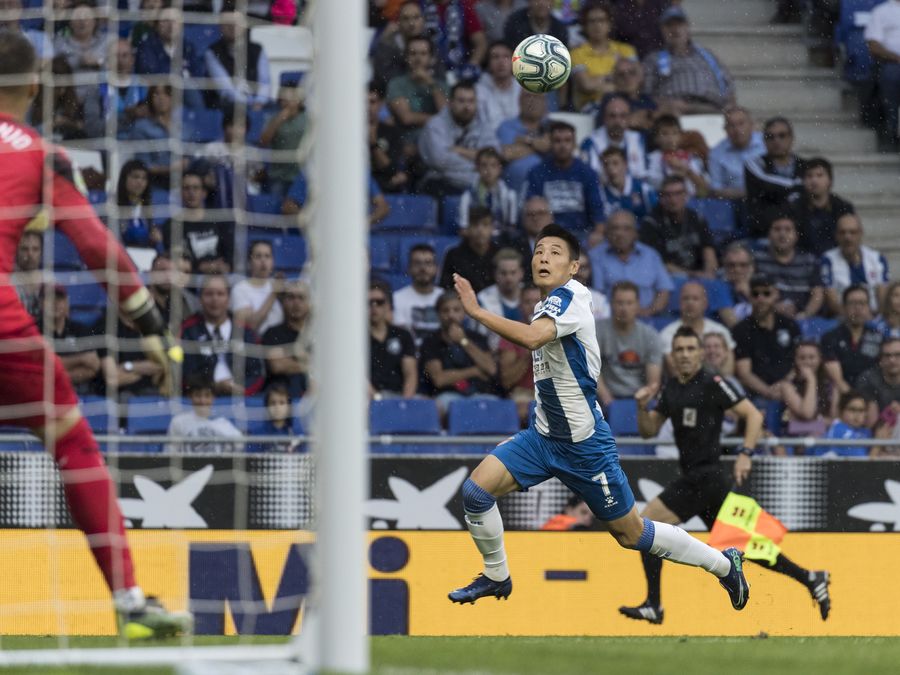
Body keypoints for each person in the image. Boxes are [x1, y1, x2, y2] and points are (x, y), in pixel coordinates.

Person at [446, 224, 750, 612]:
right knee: (476, 493)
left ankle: (724, 564)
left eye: (555, 252)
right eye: (539, 251)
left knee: (631, 534)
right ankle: (496, 575)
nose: (543, 257)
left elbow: (532, 338)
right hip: (542, 438)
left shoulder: (570, 298)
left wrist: (475, 311)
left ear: (574, 266)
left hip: (584, 447)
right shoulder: (544, 306)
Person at [0, 32, 190, 636]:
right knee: (74, 443)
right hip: (2, 325)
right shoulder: (41, 155)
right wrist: (152, 327)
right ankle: (128, 600)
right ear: (35, 85)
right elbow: (96, 247)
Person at [620, 325, 831, 624]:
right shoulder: (672, 388)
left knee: (646, 527)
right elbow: (649, 431)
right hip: (703, 482)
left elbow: (753, 415)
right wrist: (642, 406)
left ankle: (654, 604)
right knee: (744, 544)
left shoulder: (713, 382)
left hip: (706, 477)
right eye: (679, 350)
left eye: (690, 349)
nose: (684, 355)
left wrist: (745, 454)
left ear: (700, 353)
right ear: (672, 355)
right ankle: (810, 577)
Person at [180, 274, 265, 397]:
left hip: (241, 400)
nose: (215, 299)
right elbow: (183, 372)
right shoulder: (187, 331)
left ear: (228, 299)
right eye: (209, 294)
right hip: (200, 400)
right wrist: (213, 386)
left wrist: (242, 390)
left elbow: (258, 373)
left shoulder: (245, 332)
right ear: (200, 299)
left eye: (220, 294)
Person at [642, 7, 735, 114]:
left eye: (679, 24)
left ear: (687, 27)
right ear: (662, 30)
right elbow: (647, 95)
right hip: (675, 112)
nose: (674, 29)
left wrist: (730, 107)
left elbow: (729, 86)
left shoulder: (708, 55)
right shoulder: (653, 59)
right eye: (669, 25)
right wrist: (666, 104)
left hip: (712, 109)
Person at [524, 121, 605, 240]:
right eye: (557, 141)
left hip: (581, 234)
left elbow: (597, 208)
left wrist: (598, 233)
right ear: (550, 143)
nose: (562, 145)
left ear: (574, 144)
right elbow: (531, 207)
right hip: (546, 233)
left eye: (567, 141)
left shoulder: (588, 173)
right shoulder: (537, 172)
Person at [420, 290, 498, 414]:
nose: (451, 315)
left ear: (464, 313)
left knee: (497, 407)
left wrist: (463, 341)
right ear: (438, 314)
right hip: (447, 396)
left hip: (479, 394)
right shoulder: (430, 342)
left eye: (456, 310)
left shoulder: (477, 338)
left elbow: (491, 369)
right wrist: (475, 371)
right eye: (445, 310)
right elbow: (439, 379)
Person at [418, 81, 499, 197]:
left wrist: (461, 151)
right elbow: (440, 161)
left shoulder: (482, 123)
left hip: (476, 181)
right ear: (450, 103)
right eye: (461, 101)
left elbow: (494, 154)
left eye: (471, 101)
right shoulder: (435, 125)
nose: (466, 107)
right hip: (442, 181)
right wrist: (481, 165)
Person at [588, 209, 673, 318]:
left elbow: (664, 290)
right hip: (610, 319)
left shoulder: (651, 255)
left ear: (635, 233)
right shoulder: (596, 256)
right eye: (615, 228)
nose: (620, 233)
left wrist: (649, 312)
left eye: (626, 229)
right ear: (607, 232)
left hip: (647, 318)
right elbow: (597, 295)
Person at [733, 274, 802, 403]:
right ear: (749, 297)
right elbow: (744, 372)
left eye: (766, 293)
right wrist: (768, 392)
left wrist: (784, 386)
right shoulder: (741, 330)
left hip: (791, 389)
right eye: (755, 294)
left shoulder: (790, 325)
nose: (761, 299)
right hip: (756, 394)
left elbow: (799, 361)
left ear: (776, 295)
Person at [594, 280, 662, 406]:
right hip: (605, 398)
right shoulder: (596, 331)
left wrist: (641, 401)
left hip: (640, 398)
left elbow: (653, 383)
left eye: (629, 303)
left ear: (638, 305)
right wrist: (607, 399)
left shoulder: (650, 335)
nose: (624, 308)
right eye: (620, 303)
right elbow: (591, 369)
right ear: (611, 304)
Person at [640, 176, 717, 279]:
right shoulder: (651, 224)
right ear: (661, 198)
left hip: (700, 274)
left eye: (678, 193)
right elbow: (658, 263)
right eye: (668, 195)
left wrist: (709, 272)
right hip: (670, 278)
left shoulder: (697, 218)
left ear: (686, 195)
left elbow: (708, 249)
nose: (673, 199)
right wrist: (693, 275)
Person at [752, 214, 824, 320]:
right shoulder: (757, 259)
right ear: (769, 235)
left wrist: (804, 316)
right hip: (767, 317)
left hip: (803, 319)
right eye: (777, 229)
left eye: (788, 229)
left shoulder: (809, 261)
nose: (782, 234)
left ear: (796, 235)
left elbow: (818, 295)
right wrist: (772, 308)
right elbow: (751, 291)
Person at [744, 117, 806, 238]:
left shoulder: (805, 166)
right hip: (764, 234)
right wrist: (796, 186)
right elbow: (764, 182)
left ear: (792, 138)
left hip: (800, 235)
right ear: (764, 141)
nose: (776, 141)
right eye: (770, 137)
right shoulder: (754, 164)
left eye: (782, 135)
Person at [162, 171, 235, 274]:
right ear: (180, 193)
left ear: (204, 193)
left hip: (221, 277)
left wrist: (223, 266)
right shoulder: (172, 225)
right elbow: (179, 261)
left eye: (196, 188)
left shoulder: (219, 219)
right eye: (186, 188)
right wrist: (201, 267)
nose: (191, 193)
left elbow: (230, 254)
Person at [570, 2, 637, 112]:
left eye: (601, 20)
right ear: (585, 26)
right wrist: (618, 80)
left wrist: (599, 82)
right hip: (593, 108)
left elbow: (637, 82)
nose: (597, 25)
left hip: (627, 104)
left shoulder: (626, 50)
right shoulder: (576, 54)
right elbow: (587, 86)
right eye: (592, 21)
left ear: (609, 24)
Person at [658, 281, 735, 375]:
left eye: (695, 298)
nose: (690, 303)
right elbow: (675, 371)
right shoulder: (668, 333)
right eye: (686, 298)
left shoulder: (720, 330)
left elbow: (728, 370)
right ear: (679, 303)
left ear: (705, 303)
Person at [38, 285, 101, 397]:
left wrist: (55, 376)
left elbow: (93, 367)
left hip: (80, 394)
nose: (55, 303)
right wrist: (80, 359)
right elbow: (38, 368)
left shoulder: (81, 329)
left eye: (59, 299)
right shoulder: (33, 331)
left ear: (67, 302)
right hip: (43, 395)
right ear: (40, 303)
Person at [822, 213, 890, 316]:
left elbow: (883, 298)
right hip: (842, 318)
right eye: (842, 232)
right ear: (836, 235)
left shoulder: (877, 258)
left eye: (852, 232)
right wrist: (854, 319)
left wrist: (870, 318)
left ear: (861, 234)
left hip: (873, 317)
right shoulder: (828, 260)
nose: (847, 237)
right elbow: (832, 301)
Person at [203, 7, 271, 109]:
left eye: (236, 22)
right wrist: (248, 103)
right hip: (228, 106)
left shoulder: (258, 49)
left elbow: (265, 82)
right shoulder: (212, 52)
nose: (232, 26)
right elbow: (225, 88)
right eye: (228, 23)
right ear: (220, 26)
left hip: (258, 105)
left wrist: (260, 101)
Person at [821, 284, 884, 391]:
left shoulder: (878, 337)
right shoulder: (830, 338)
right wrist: (853, 397)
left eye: (862, 303)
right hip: (841, 393)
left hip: (873, 393)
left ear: (868, 307)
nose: (858, 308)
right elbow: (837, 379)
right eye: (853, 303)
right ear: (843, 307)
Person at [386, 35, 448, 142]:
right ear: (406, 57)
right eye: (413, 53)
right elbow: (407, 118)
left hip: (439, 139)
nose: (418, 59)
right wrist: (440, 120)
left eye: (423, 54)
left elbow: (446, 113)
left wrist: (431, 83)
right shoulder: (396, 84)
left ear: (431, 58)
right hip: (407, 140)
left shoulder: (442, 85)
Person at [790, 157, 855, 256]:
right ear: (803, 180)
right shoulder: (794, 208)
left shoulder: (843, 207)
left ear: (830, 180)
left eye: (819, 175)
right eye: (809, 176)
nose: (814, 180)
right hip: (803, 260)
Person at [166, 374, 244, 454]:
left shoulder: (222, 423)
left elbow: (239, 445)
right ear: (190, 396)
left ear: (213, 397)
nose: (202, 401)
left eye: (207, 395)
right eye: (197, 395)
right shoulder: (178, 422)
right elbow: (170, 453)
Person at [776, 340, 839, 439]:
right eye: (802, 358)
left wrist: (808, 424)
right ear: (795, 360)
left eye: (812, 357)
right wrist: (811, 380)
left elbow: (834, 420)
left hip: (825, 438)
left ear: (820, 359)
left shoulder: (831, 385)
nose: (807, 362)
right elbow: (807, 413)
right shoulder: (787, 386)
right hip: (796, 440)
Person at [261, 280, 312, 400]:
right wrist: (311, 364)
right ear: (283, 302)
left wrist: (290, 361)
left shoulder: (319, 335)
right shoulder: (272, 333)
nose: (296, 302)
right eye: (291, 297)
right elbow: (277, 366)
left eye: (301, 298)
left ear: (309, 303)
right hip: (282, 399)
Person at [498, 283, 540, 424]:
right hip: (523, 394)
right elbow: (506, 381)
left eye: (537, 302)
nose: (533, 307)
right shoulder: (511, 333)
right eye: (528, 302)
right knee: (522, 412)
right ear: (520, 305)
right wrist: (528, 354)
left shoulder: (557, 330)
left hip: (553, 391)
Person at [258, 79, 307, 198]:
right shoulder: (273, 119)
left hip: (302, 176)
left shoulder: (307, 119)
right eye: (284, 99)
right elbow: (263, 141)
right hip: (279, 176)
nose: (287, 102)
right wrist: (279, 119)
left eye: (290, 98)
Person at [369, 279, 417, 399]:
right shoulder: (356, 338)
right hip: (366, 399)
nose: (374, 307)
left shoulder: (403, 335)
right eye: (369, 302)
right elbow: (357, 375)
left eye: (379, 302)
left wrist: (404, 403)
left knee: (432, 406)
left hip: (399, 396)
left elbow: (410, 374)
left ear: (388, 306)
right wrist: (378, 399)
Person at [579, 95, 648, 179]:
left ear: (629, 119)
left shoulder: (638, 139)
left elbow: (642, 176)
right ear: (604, 118)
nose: (617, 121)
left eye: (623, 116)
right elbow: (587, 178)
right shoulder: (590, 143)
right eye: (612, 116)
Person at [707, 106, 766, 200]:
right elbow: (716, 189)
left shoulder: (766, 143)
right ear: (725, 129)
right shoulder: (716, 153)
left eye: (741, 124)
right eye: (731, 125)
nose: (737, 130)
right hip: (734, 202)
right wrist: (749, 193)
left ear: (751, 125)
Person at [864, 0, 900, 152]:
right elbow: (874, 46)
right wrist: (897, 58)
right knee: (891, 74)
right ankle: (891, 131)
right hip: (893, 63)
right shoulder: (882, 11)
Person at [439, 206, 500, 293]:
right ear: (467, 228)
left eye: (485, 224)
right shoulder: (454, 255)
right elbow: (446, 289)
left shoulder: (500, 254)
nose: (480, 230)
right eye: (475, 224)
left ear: (492, 228)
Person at [230, 240, 284, 336]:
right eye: (258, 256)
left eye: (267, 256)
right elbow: (251, 325)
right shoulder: (240, 289)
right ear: (249, 262)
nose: (263, 260)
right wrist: (274, 294)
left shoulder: (279, 284)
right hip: (255, 343)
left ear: (272, 261)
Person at [644, 114, 708, 196]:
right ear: (656, 138)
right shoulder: (652, 159)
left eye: (674, 133)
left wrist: (686, 170)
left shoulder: (691, 157)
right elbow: (652, 183)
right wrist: (675, 175)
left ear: (681, 136)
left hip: (691, 200)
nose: (670, 138)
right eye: (665, 133)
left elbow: (704, 186)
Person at [457, 147, 518, 232]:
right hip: (476, 236)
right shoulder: (467, 196)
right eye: (484, 165)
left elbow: (512, 228)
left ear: (500, 168)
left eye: (493, 165)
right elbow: (463, 230)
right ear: (477, 168)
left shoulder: (510, 196)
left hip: (501, 237)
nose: (489, 170)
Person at [474, 248, 525, 350]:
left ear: (521, 273)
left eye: (513, 272)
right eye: (503, 273)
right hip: (494, 354)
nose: (508, 278)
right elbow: (480, 339)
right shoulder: (483, 299)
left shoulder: (532, 296)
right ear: (495, 274)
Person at [393, 243, 443, 344]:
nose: (423, 268)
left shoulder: (445, 297)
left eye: (428, 263)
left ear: (436, 269)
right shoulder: (396, 299)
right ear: (409, 268)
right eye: (417, 263)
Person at [368, 83, 409, 194]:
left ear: (381, 103)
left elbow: (391, 170)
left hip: (383, 188)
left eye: (372, 102)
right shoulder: (347, 133)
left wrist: (373, 144)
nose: (367, 107)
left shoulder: (392, 132)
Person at [597, 146, 657, 222]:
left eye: (615, 163)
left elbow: (656, 217)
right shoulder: (600, 193)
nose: (610, 168)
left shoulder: (644, 189)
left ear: (625, 164)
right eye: (606, 164)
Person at [810, 390, 874, 457]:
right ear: (841, 411)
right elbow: (860, 460)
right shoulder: (838, 430)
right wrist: (877, 447)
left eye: (861, 410)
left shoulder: (866, 431)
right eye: (852, 409)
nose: (857, 415)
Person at [475, 41, 519, 134]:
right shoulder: (477, 91)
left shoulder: (523, 89)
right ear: (488, 63)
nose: (501, 62)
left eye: (506, 56)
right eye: (495, 57)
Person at [115, 159, 160, 249]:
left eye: (144, 178)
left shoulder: (149, 209)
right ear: (124, 179)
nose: (140, 181)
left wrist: (155, 239)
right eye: (135, 177)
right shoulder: (113, 207)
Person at [857, 338, 900, 431]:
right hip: (876, 432)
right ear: (880, 360)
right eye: (887, 355)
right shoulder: (868, 379)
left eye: (898, 355)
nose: (892, 360)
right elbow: (870, 424)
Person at [246, 383, 297, 453]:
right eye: (273, 403)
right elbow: (250, 458)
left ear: (289, 407)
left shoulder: (296, 435)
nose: (277, 407)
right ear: (267, 407)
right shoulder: (257, 435)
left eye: (282, 403)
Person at [503, 0, 569, 50]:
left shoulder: (559, 28)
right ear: (529, 2)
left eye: (546, 0)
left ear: (552, 2)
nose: (541, 3)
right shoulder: (515, 23)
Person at [717, 242, 755, 329]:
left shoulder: (761, 286)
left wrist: (749, 294)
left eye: (743, 265)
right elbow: (734, 325)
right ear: (724, 266)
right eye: (731, 265)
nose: (737, 270)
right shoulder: (718, 287)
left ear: (752, 267)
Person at [12, 230, 43, 320]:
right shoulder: (6, 283)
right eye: (24, 249)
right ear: (16, 251)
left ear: (41, 252)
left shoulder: (50, 280)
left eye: (35, 249)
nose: (30, 254)